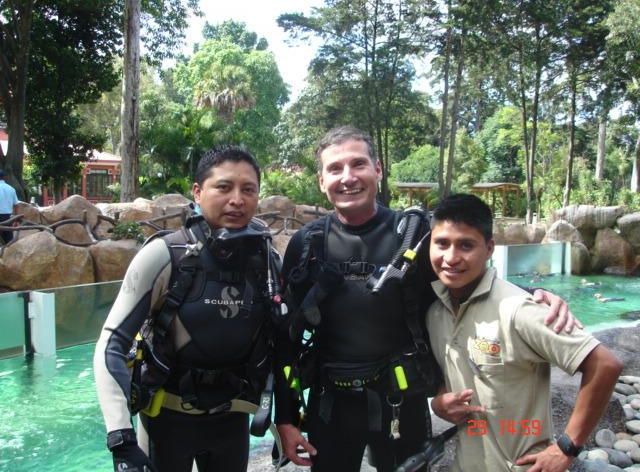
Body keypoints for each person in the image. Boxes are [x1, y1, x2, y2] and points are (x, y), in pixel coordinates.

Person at [275, 126, 578, 472]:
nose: (348, 177)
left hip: (400, 401)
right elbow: (287, 338)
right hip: (331, 405)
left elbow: (467, 276)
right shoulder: (307, 244)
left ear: (378, 170)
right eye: (335, 168)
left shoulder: (415, 236)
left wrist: (538, 295)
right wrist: (285, 418)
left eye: (358, 164)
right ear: (321, 180)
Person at [94, 145, 285, 472]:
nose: (237, 199)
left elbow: (281, 346)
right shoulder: (164, 255)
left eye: (248, 189)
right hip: (166, 421)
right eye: (223, 187)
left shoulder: (267, 262)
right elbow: (111, 345)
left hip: (233, 419)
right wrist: (121, 437)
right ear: (197, 191)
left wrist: (284, 422)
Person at [426, 193, 622, 472]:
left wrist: (567, 447)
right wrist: (440, 401)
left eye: (466, 245)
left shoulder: (519, 309)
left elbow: (605, 365)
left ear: (490, 248)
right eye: (442, 244)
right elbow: (452, 372)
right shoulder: (435, 312)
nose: (451, 257)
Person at [0, 169, 18, 245]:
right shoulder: (11, 189)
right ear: (4, 177)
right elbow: (16, 205)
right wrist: (15, 219)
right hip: (8, 217)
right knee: (8, 241)